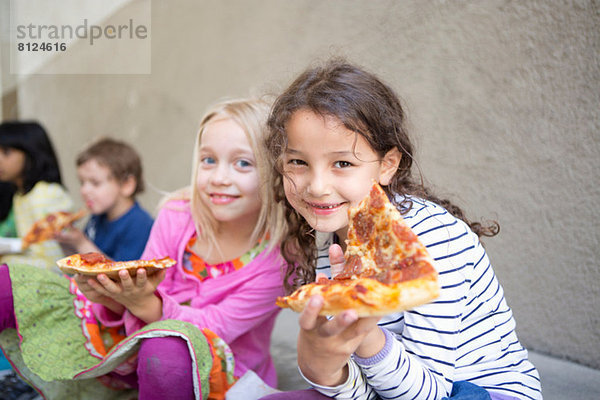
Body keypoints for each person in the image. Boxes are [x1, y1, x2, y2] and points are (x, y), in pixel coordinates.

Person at [261, 60, 542, 400]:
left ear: (387, 165)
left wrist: (364, 335)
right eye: (298, 162)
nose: (317, 186)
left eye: (343, 163)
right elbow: (363, 392)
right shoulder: (328, 240)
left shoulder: (432, 240)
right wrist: (327, 371)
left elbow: (430, 395)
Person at [0, 98, 287, 399]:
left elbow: (212, 329)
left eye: (243, 163)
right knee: (9, 284)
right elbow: (143, 284)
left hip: (214, 367)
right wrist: (110, 297)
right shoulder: (176, 213)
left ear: (274, 171)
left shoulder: (277, 261)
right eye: (208, 160)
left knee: (163, 348)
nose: (219, 178)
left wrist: (141, 303)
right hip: (133, 339)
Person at [55, 138, 154, 261]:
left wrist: (81, 243)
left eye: (95, 183)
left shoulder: (139, 224)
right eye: (82, 183)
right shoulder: (97, 217)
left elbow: (122, 274)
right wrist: (66, 241)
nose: (84, 190)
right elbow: (81, 261)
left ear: (126, 185)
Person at [0, 121, 74, 271]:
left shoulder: (48, 193)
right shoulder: (20, 195)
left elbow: (55, 261)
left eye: (6, 152)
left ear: (30, 153)